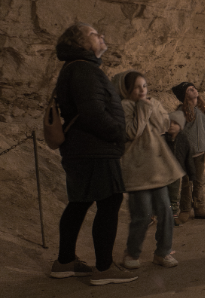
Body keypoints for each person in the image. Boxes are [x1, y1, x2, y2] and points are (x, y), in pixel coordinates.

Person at [49, 22, 137, 286]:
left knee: (80, 202)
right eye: (94, 34)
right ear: (81, 43)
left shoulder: (77, 68)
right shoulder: (84, 70)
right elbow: (93, 113)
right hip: (95, 150)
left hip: (83, 149)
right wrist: (120, 133)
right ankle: (104, 268)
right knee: (109, 202)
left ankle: (65, 262)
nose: (101, 36)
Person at [114, 71, 184, 269]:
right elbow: (132, 132)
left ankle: (163, 252)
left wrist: (151, 108)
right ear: (127, 89)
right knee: (142, 215)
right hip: (137, 169)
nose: (142, 90)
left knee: (166, 212)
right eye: (137, 87)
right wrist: (144, 108)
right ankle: (132, 252)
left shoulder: (152, 103)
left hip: (156, 168)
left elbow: (163, 126)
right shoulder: (124, 106)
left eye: (144, 86)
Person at [171, 82, 205, 219]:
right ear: (185, 95)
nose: (194, 90)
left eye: (194, 88)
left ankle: (199, 207)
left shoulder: (204, 109)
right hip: (186, 154)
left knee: (198, 182)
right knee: (186, 182)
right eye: (190, 89)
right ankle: (185, 209)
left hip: (200, 152)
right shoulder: (181, 111)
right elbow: (176, 132)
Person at [164, 110, 197, 226]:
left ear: (181, 126)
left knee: (174, 195)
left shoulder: (184, 140)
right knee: (162, 194)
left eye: (175, 123)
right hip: (163, 173)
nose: (171, 125)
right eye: (169, 122)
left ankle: (173, 215)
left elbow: (188, 158)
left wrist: (192, 174)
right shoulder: (162, 139)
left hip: (176, 173)